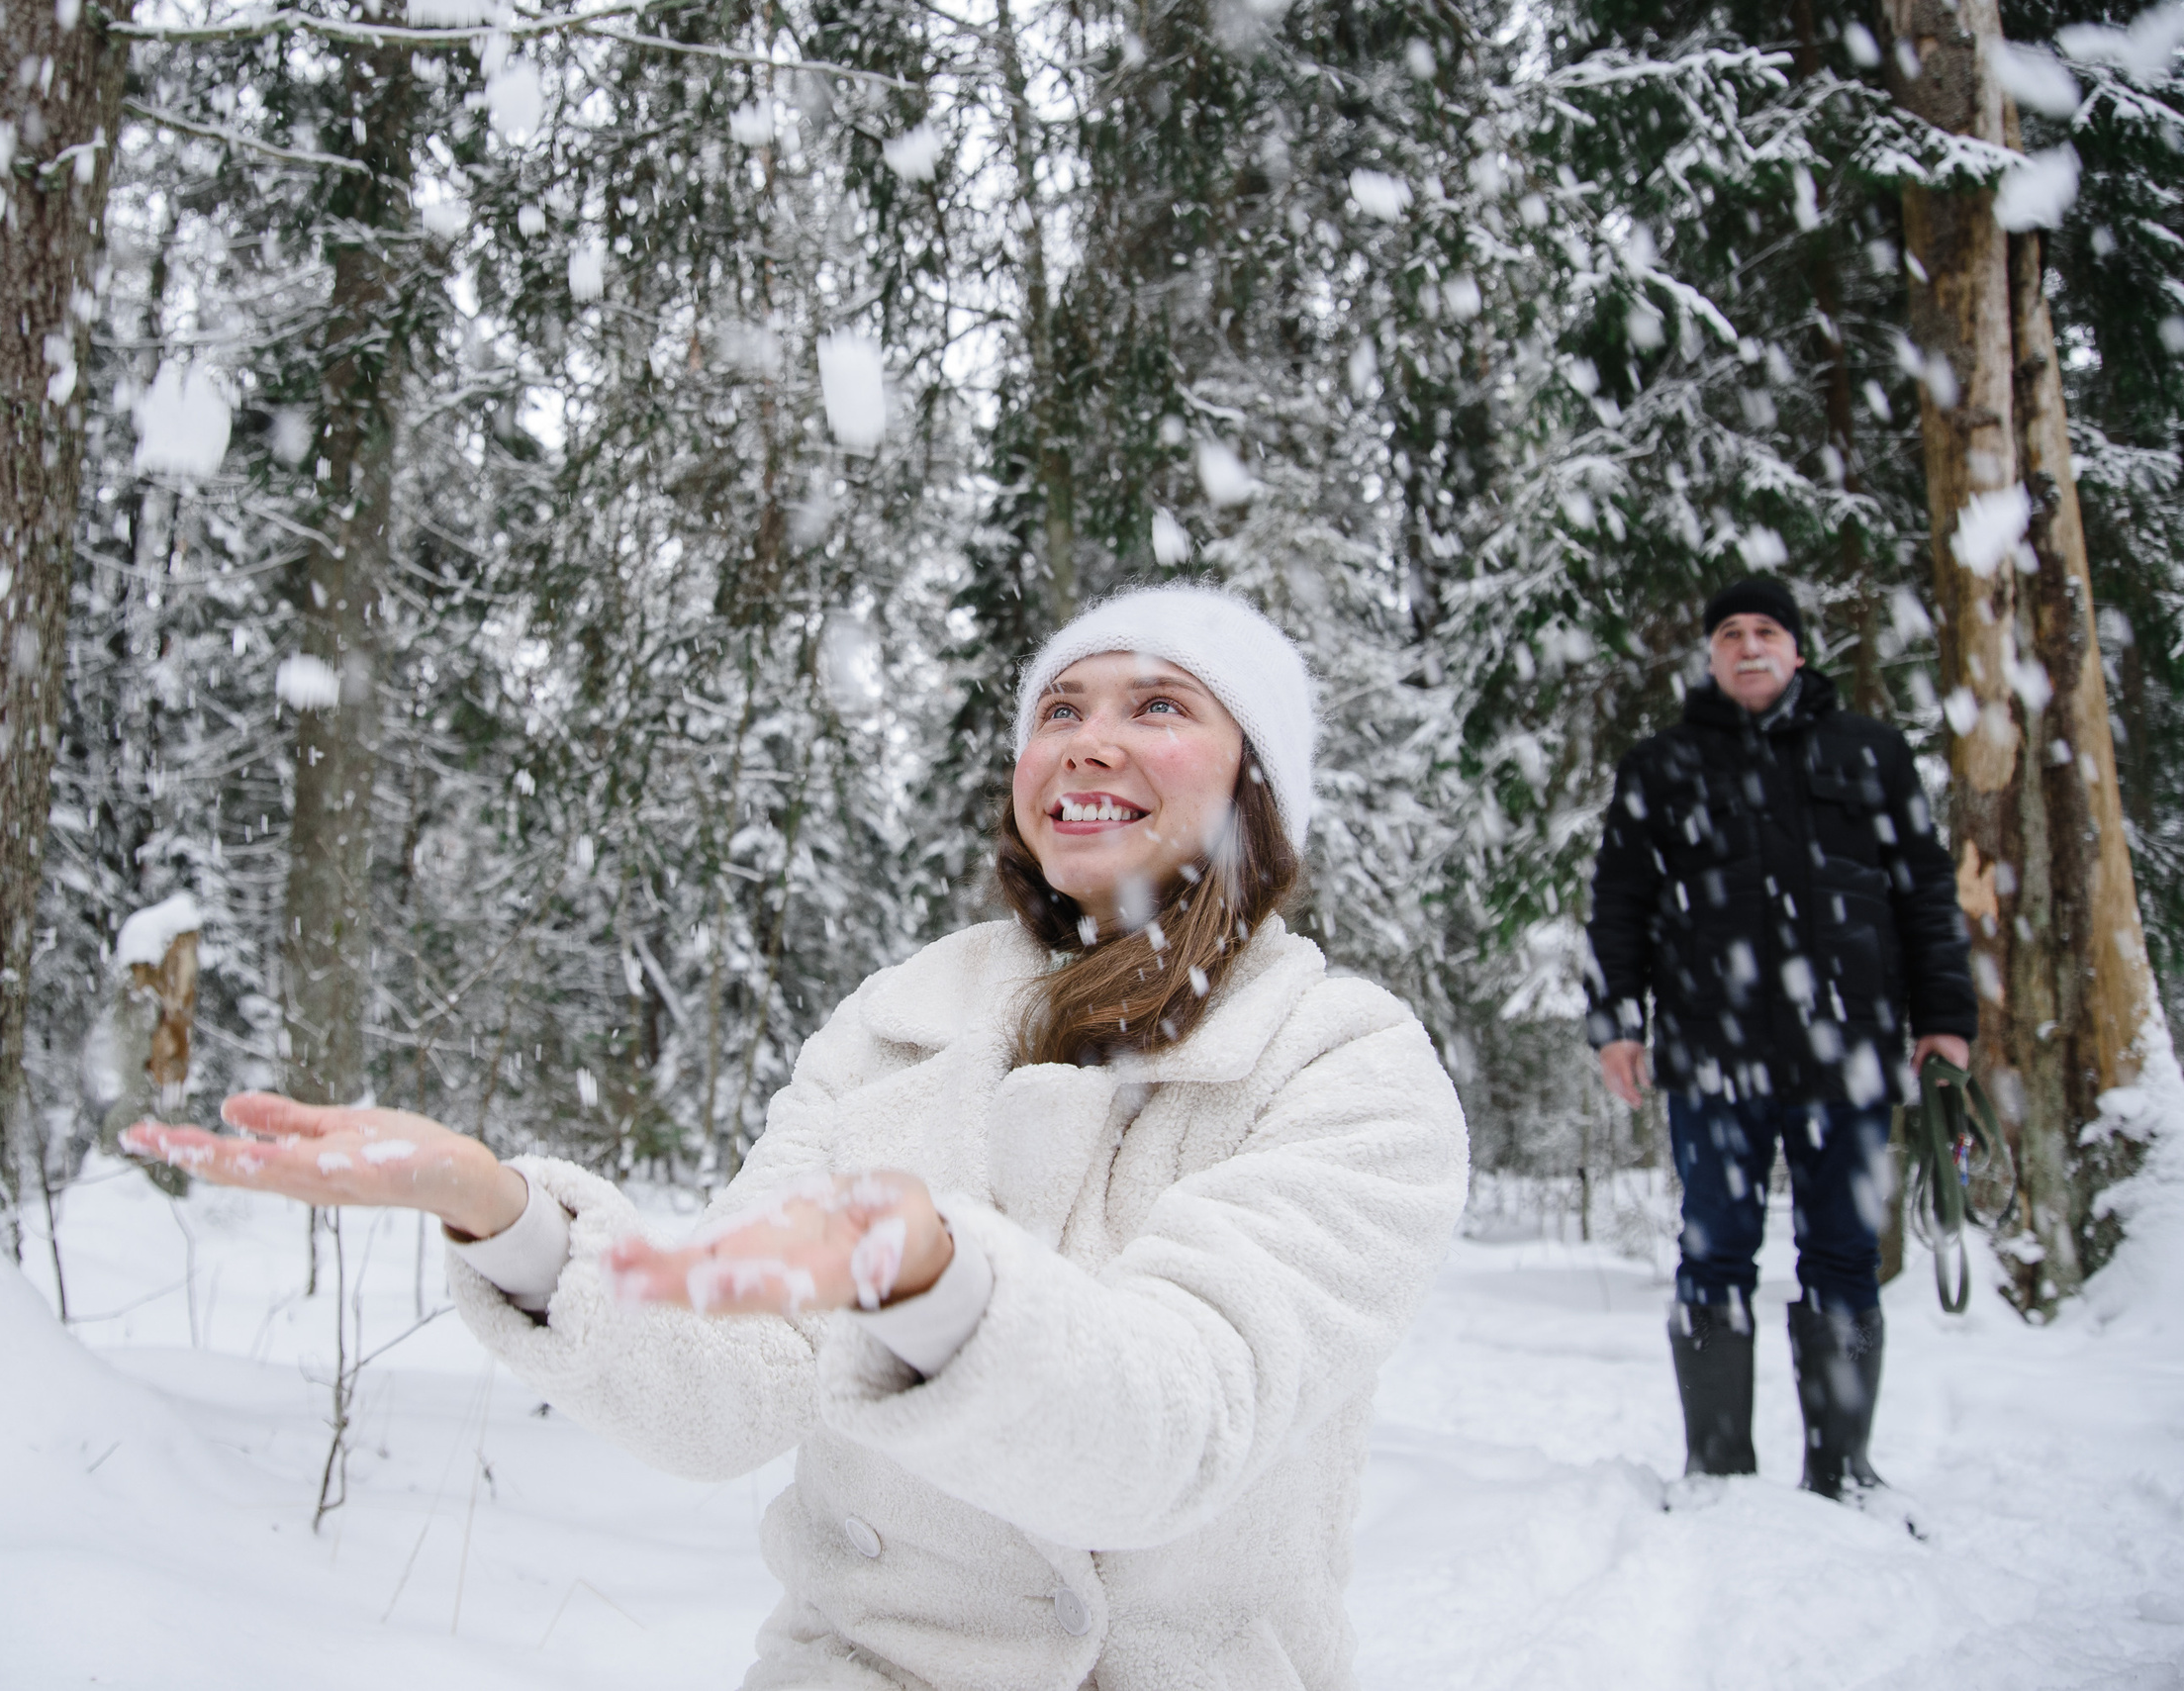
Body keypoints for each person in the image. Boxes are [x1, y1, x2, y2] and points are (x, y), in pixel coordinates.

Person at [126, 585, 1470, 1691]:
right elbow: (732, 1373)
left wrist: (940, 1281)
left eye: (1158, 705)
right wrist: (500, 1212)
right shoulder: (899, 1029)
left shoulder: (1343, 1063)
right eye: (1058, 708)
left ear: (1258, 784)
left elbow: (1181, 1428)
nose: (1087, 740)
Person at [1584, 576, 1975, 1503]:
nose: (1749, 645)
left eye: (1767, 630)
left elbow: (1925, 892)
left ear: (1799, 650)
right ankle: (1717, 1468)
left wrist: (1947, 1022)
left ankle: (1843, 1469)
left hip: (1850, 1051)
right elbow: (1619, 904)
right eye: (1730, 632)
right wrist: (1614, 1025)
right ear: (1712, 655)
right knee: (1714, 1250)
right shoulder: (1662, 764)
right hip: (1712, 1056)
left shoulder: (1871, 753)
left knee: (1843, 1251)